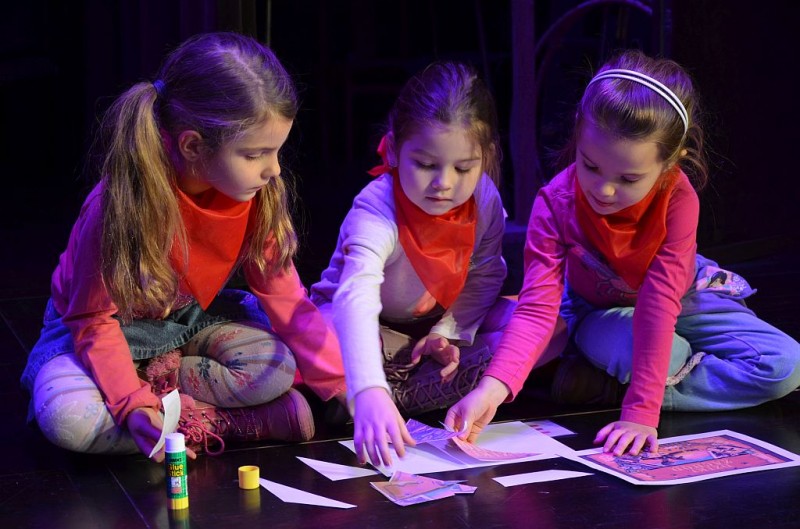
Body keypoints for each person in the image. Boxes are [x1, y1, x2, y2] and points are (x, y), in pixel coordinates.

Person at [445, 49, 800, 456]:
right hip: (598, 310)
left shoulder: (678, 198)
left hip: (681, 296)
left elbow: (660, 301)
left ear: (670, 164)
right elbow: (538, 308)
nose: (604, 189)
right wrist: (490, 390)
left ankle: (614, 384)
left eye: (629, 178)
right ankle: (644, 372)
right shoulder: (555, 203)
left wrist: (641, 411)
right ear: (578, 136)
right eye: (590, 166)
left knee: (784, 366)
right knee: (660, 356)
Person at [19, 32, 347, 462]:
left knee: (276, 367)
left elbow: (286, 299)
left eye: (276, 152)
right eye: (255, 154)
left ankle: (170, 397)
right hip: (100, 333)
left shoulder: (256, 193)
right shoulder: (118, 206)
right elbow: (92, 319)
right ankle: (211, 419)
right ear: (193, 145)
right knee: (68, 419)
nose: (274, 169)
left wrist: (343, 386)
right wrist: (132, 406)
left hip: (187, 325)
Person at [311, 61, 556, 467]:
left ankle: (393, 396)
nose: (444, 182)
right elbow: (355, 297)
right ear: (394, 149)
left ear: (485, 157)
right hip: (364, 331)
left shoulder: (484, 199)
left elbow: (485, 275)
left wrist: (447, 333)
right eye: (426, 165)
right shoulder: (377, 208)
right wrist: (369, 387)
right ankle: (370, 396)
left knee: (546, 327)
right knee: (317, 331)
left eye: (463, 168)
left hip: (425, 337)